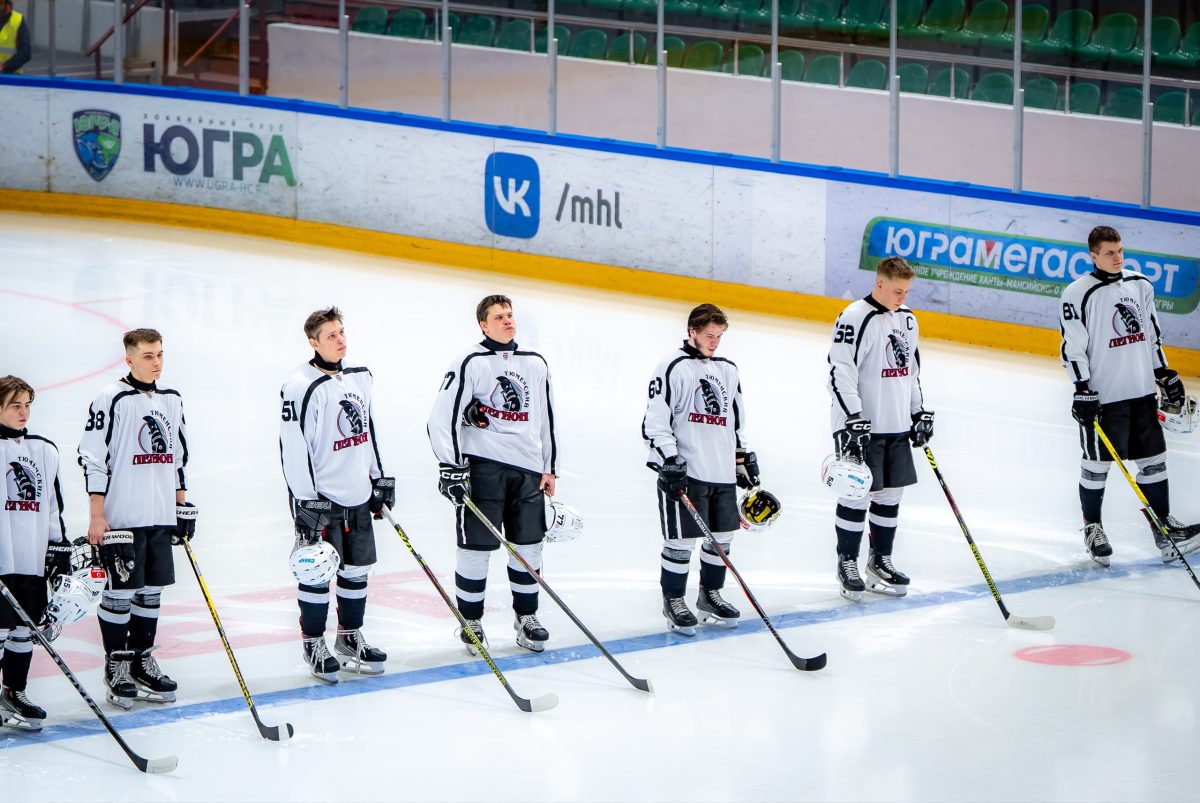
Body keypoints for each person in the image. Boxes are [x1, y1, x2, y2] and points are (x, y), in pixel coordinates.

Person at [1059, 225, 1199, 566]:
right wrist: (1082, 389)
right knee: (1096, 465)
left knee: (1154, 460)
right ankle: (1093, 528)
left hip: (1141, 391)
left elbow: (1150, 334)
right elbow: (1072, 346)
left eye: (1120, 250)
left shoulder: (1139, 284)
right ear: (1093, 256)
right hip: (1103, 397)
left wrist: (1162, 372)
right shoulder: (1078, 293)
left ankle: (1164, 530)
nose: (1117, 257)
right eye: (1109, 252)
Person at [427, 294, 559, 653]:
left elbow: (546, 417)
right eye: (499, 317)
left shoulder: (535, 362)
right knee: (476, 548)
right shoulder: (470, 361)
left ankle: (526, 617)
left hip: (528, 470)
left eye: (510, 314)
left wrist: (550, 467)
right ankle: (471, 621)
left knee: (528, 547)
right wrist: (451, 465)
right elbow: (442, 416)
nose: (508, 320)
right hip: (483, 468)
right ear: (483, 325)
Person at [78, 330, 192, 709]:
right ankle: (117, 665)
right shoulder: (112, 398)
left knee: (151, 591)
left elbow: (177, 457)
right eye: (147, 356)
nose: (156, 362)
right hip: (122, 518)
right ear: (129, 359)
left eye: (160, 354)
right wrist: (97, 515)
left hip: (159, 513)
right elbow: (94, 458)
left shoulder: (171, 399)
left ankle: (142, 661)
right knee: (120, 593)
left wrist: (181, 506)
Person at [280, 307, 393, 684]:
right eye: (331, 335)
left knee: (357, 569)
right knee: (316, 572)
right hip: (321, 499)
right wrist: (305, 500)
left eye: (342, 332)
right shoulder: (301, 386)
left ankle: (349, 637)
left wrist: (378, 477)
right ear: (313, 342)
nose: (341, 340)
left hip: (357, 493)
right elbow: (293, 447)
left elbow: (367, 429)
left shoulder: (360, 375)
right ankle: (313, 642)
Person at [642, 303, 761, 635]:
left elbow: (735, 420)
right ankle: (674, 600)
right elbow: (655, 421)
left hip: (720, 471)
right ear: (692, 331)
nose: (714, 342)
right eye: (709, 335)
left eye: (719, 336)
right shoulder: (673, 366)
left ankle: (710, 595)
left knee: (721, 539)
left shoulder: (728, 369)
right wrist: (669, 459)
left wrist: (742, 458)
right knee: (681, 541)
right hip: (686, 471)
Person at [826, 257, 932, 601]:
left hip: (896, 423)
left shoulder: (908, 319)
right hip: (860, 426)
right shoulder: (854, 317)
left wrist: (918, 412)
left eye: (907, 291)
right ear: (880, 284)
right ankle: (847, 562)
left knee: (890, 495)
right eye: (898, 291)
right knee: (856, 493)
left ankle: (879, 561)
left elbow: (911, 371)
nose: (903, 297)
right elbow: (840, 371)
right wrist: (853, 416)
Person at [0, 376, 68, 730]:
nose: (24, 412)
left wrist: (58, 548)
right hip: (3, 557)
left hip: (31, 558)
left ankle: (15, 692)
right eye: (15, 405)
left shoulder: (44, 450)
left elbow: (53, 505)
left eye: (27, 405)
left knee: (24, 629)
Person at [0, 0, 31, 75]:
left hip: (11, 75)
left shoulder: (17, 20)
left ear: (8, 6)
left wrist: (4, 66)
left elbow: (25, 52)